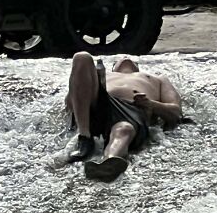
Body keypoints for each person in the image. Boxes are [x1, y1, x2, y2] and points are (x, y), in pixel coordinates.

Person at [65, 51, 183, 182]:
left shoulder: (158, 79)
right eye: (120, 58)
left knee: (124, 130)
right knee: (82, 57)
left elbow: (176, 111)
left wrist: (151, 105)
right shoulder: (102, 74)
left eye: (131, 57)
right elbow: (70, 101)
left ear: (138, 67)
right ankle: (84, 138)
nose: (126, 57)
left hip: (132, 109)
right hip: (101, 102)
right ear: (113, 67)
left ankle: (109, 162)